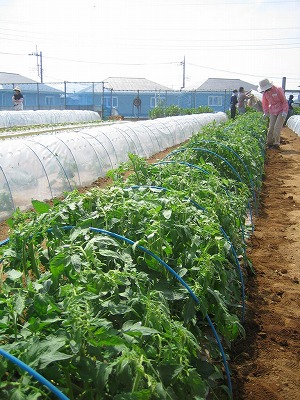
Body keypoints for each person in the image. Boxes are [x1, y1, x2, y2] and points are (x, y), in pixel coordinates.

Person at [258, 78, 288, 149]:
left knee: (277, 127)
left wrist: (285, 111)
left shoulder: (278, 89)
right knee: (271, 128)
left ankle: (276, 144)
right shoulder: (265, 93)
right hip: (272, 110)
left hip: (281, 110)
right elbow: (265, 103)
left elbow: (284, 101)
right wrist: (265, 112)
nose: (266, 90)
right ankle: (269, 143)